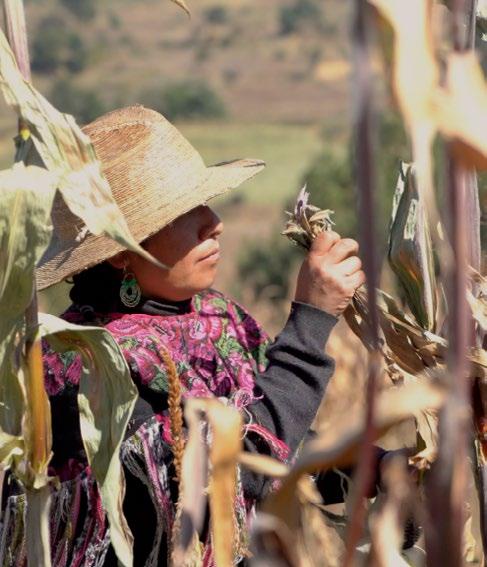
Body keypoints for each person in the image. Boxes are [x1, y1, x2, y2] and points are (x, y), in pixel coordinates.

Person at [2, 105, 380, 566]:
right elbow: (232, 470)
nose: (214, 222)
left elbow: (281, 432)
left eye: (206, 202)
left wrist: (379, 472)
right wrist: (311, 321)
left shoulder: (217, 319)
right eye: (183, 211)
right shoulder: (83, 365)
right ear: (121, 252)